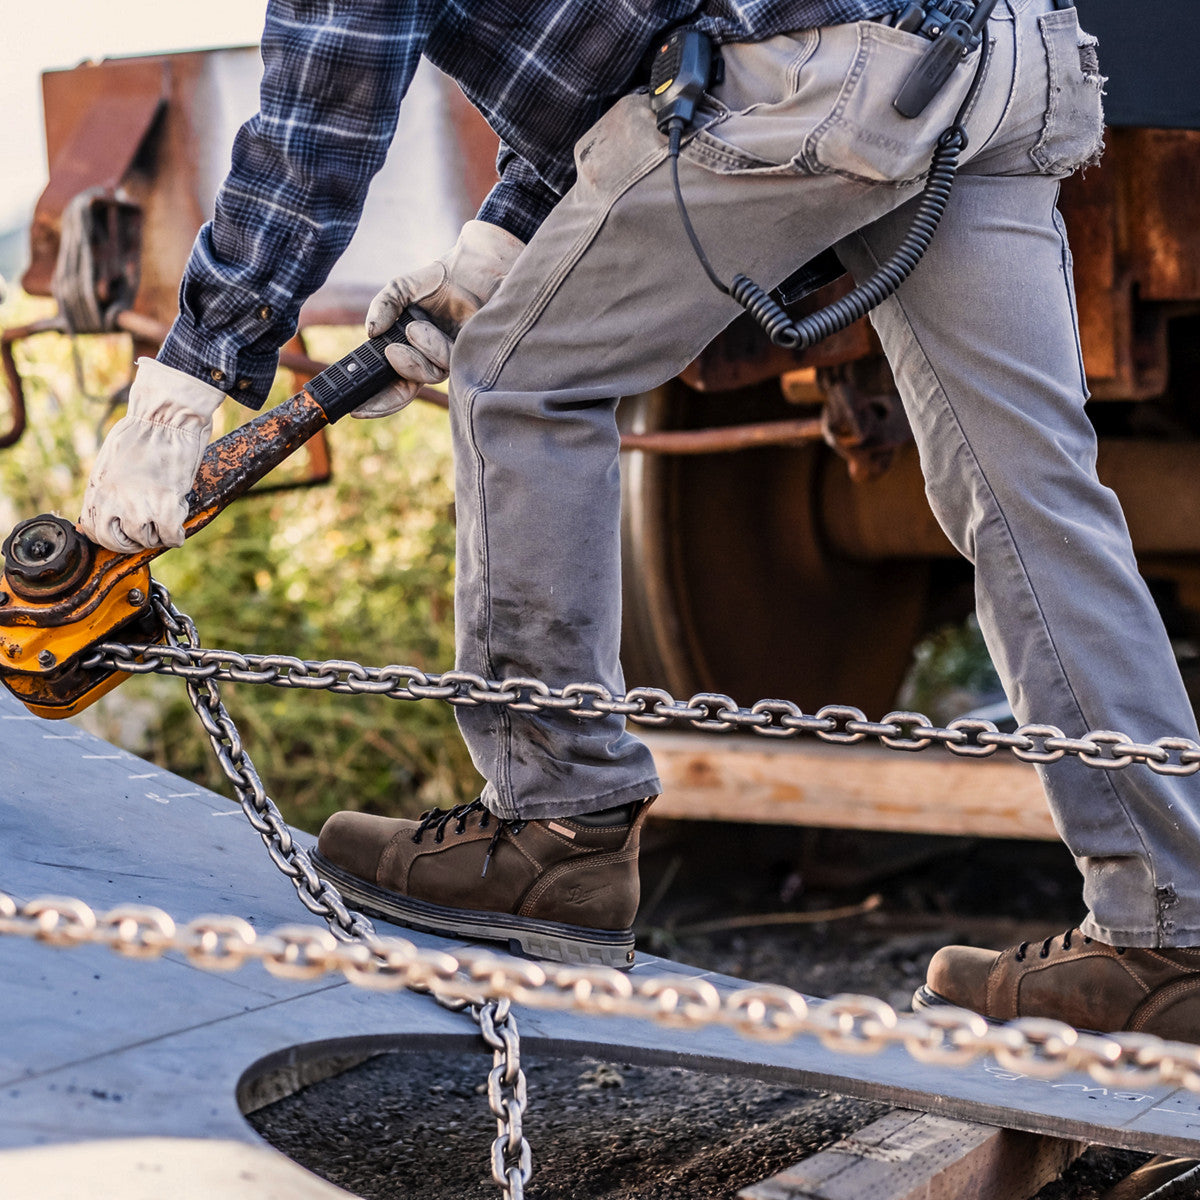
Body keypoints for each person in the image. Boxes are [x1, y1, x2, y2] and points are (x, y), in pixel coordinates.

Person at [78, 0, 1200, 1034]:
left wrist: (193, 380)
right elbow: (617, 52)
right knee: (1031, 494)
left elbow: (320, 115)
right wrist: (493, 253)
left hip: (837, 64)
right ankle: (1171, 932)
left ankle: (551, 826)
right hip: (999, 54)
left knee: (522, 384)